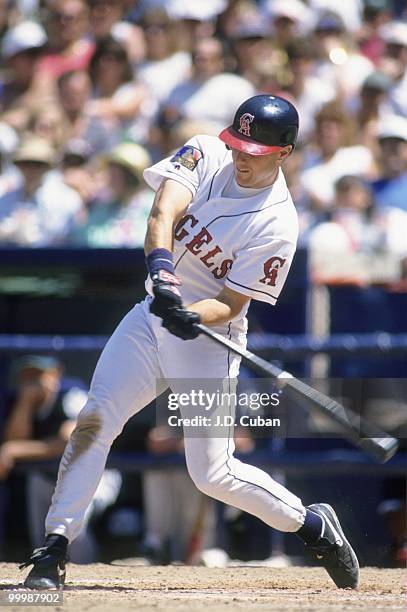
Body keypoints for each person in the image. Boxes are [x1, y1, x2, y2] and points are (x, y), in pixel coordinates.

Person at [19, 94, 359, 591]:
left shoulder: (278, 222)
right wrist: (162, 272)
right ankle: (54, 548)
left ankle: (311, 524)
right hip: (150, 314)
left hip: (208, 338)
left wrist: (188, 313)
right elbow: (163, 210)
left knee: (212, 474)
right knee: (95, 420)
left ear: (284, 152)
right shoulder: (207, 151)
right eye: (239, 144)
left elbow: (231, 304)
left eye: (256, 151)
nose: (242, 156)